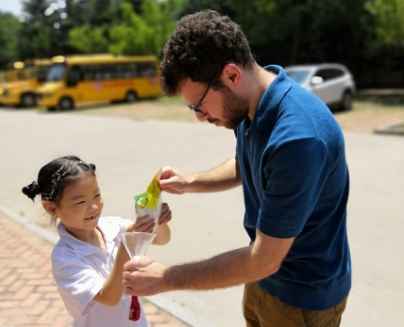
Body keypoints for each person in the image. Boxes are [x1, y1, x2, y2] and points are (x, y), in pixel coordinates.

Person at [123, 10, 351, 327]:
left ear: (231, 75)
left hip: (301, 298)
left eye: (198, 106)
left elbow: (263, 259)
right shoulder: (251, 104)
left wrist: (166, 278)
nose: (199, 117)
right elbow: (251, 163)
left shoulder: (298, 138)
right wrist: (192, 181)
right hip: (262, 276)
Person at [22, 155, 171, 327]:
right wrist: (126, 246)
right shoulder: (65, 258)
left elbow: (162, 239)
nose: (94, 206)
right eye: (81, 202)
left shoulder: (113, 226)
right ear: (51, 207)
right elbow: (110, 297)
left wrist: (158, 221)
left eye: (97, 195)